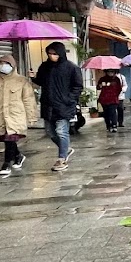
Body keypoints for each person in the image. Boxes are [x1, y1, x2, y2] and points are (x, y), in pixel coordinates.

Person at [35, 41, 83, 171]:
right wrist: (33, 77)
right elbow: (40, 81)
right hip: (48, 105)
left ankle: (62, 159)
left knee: (62, 131)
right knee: (50, 132)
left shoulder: (71, 68)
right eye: (49, 53)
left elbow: (78, 86)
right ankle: (65, 148)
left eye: (54, 54)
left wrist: (68, 99)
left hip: (64, 106)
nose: (52, 56)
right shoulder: (44, 67)